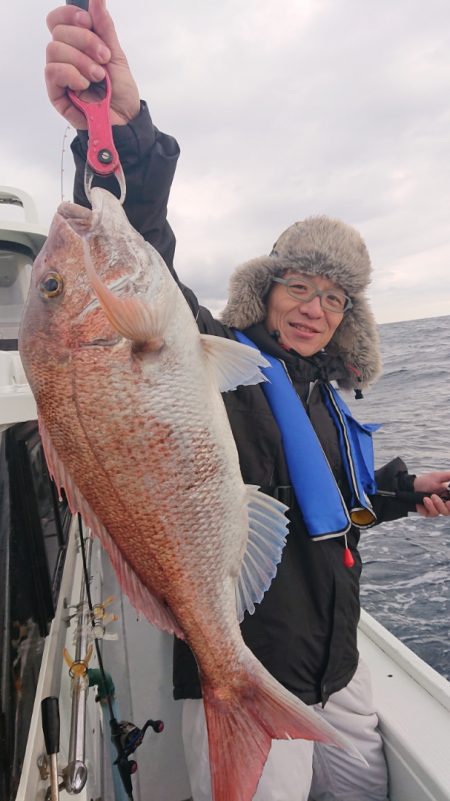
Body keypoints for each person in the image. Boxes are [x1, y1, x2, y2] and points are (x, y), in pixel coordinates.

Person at [45, 4, 450, 800]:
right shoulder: (210, 353)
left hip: (337, 661)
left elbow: (330, 501)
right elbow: (144, 252)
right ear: (264, 293)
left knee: (366, 789)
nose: (313, 306)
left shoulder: (322, 394)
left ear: (346, 319)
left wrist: (407, 490)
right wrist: (125, 132)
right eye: (297, 285)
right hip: (250, 659)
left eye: (333, 298)